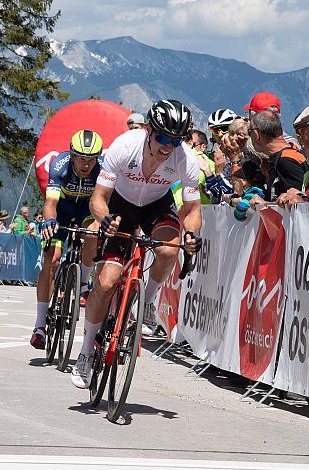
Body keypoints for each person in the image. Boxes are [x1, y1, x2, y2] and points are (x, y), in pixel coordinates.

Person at [72, 99, 203, 389]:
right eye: (163, 137)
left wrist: (192, 234)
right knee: (105, 284)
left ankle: (148, 303)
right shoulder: (124, 146)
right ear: (148, 130)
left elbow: (193, 210)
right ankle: (84, 352)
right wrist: (105, 220)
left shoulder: (185, 159)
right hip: (120, 207)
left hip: (157, 206)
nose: (169, 145)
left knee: (170, 249)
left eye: (176, 139)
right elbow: (98, 198)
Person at [30, 129, 104, 351]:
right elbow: (50, 203)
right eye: (81, 158)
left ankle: (83, 283)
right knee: (51, 261)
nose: (86, 164)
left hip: (86, 208)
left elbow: (102, 201)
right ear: (72, 155)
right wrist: (50, 221)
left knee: (93, 232)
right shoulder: (59, 165)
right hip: (61, 208)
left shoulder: (101, 171)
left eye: (91, 159)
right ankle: (40, 325)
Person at [248, 110, 309, 201]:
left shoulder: (285, 160)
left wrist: (262, 204)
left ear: (257, 134)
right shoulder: (290, 154)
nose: (249, 136)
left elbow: (296, 203)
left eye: (250, 132)